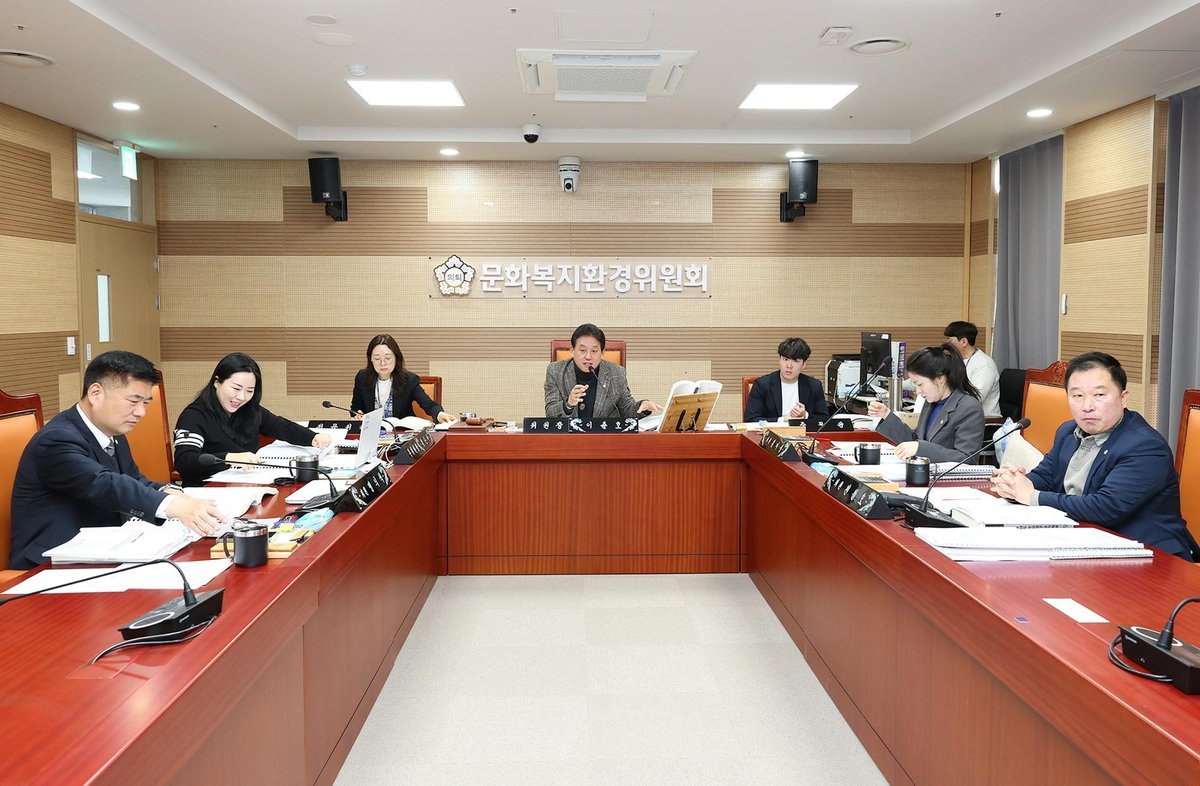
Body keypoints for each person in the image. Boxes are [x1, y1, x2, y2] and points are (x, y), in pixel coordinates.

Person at [10, 351, 225, 570]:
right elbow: (104, 484)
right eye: (133, 401)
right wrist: (174, 506)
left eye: (146, 403)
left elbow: (134, 479)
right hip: (47, 565)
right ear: (95, 393)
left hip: (100, 553)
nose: (141, 412)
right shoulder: (56, 439)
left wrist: (173, 493)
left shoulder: (113, 433)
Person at [992, 352, 1197, 561]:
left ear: (1123, 398)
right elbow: (1046, 476)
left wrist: (1031, 496)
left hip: (1149, 555)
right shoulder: (1068, 431)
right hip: (1084, 543)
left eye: (1099, 395)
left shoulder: (1145, 446)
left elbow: (1105, 508)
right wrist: (1014, 484)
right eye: (1077, 396)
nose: (1087, 406)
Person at [173, 352, 333, 486]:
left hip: (246, 486)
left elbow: (281, 427)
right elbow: (184, 460)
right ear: (217, 382)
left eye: (249, 391)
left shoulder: (248, 410)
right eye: (236, 388)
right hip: (206, 493)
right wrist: (228, 457)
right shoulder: (194, 416)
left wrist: (312, 437)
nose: (241, 397)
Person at [867, 343, 985, 462]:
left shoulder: (968, 408)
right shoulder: (931, 402)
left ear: (940, 379)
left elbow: (967, 459)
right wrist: (886, 415)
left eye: (920, 384)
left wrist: (921, 448)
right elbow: (915, 441)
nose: (918, 391)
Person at [544, 323, 662, 418]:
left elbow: (626, 409)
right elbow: (550, 413)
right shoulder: (555, 371)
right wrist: (568, 404)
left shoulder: (616, 373)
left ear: (602, 353)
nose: (588, 356)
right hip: (569, 438)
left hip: (605, 437)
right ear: (572, 351)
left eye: (594, 351)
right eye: (583, 350)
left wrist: (642, 406)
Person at [349, 334, 455, 424]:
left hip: (402, 435)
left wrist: (440, 414)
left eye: (387, 358)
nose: (382, 363)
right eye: (377, 358)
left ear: (396, 358)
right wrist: (357, 414)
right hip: (372, 434)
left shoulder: (409, 380)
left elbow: (429, 404)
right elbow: (355, 408)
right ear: (371, 359)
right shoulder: (362, 378)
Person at [744, 336, 830, 422]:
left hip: (802, 430)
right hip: (773, 430)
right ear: (779, 360)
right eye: (785, 359)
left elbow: (824, 420)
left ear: (804, 364)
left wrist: (805, 415)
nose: (789, 366)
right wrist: (783, 420)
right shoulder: (762, 384)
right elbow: (751, 419)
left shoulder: (814, 386)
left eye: (795, 361)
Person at [943, 320, 1001, 418]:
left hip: (983, 420)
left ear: (964, 342)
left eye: (950, 341)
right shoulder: (957, 361)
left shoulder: (984, 364)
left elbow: (975, 398)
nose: (947, 345)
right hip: (962, 416)